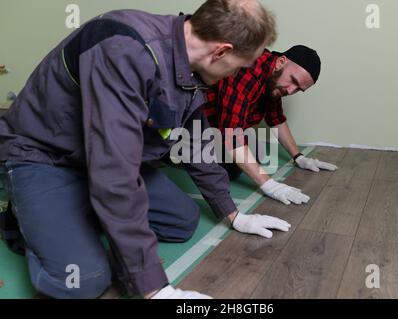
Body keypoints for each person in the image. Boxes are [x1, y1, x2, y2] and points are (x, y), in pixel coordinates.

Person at [0, 0, 289, 299]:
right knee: (84, 280)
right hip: (45, 158)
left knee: (183, 222)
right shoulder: (123, 46)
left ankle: (76, 213)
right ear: (222, 51)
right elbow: (114, 170)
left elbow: (194, 142)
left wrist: (233, 214)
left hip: (95, 159)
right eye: (239, 67)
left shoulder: (189, 66)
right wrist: (155, 289)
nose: (234, 76)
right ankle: (23, 217)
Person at [203, 45, 339, 206]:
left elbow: (276, 120)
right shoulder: (247, 69)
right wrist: (269, 184)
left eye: (298, 89)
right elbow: (231, 135)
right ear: (281, 62)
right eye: (293, 81)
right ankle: (172, 153)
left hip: (216, 130)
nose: (290, 90)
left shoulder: (274, 80)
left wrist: (299, 157)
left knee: (240, 162)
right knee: (226, 168)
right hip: (192, 126)